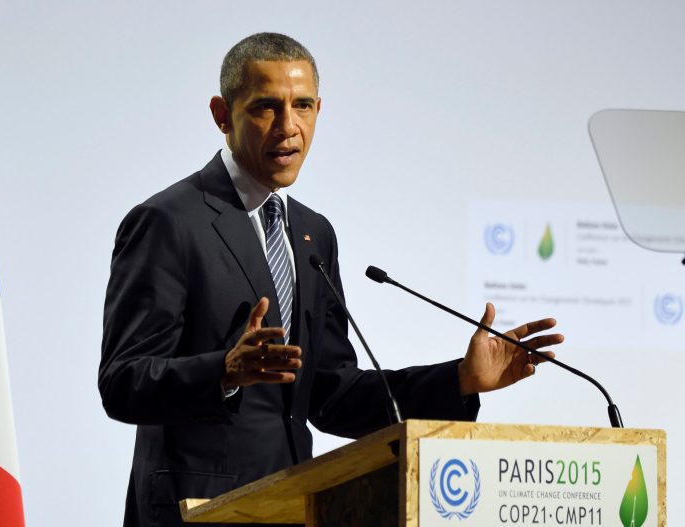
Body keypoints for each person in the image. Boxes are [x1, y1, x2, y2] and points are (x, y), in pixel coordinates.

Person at [99, 32, 563, 527]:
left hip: (296, 507)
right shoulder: (168, 222)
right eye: (265, 107)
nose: (288, 127)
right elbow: (122, 382)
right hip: (194, 511)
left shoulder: (312, 233)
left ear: (318, 110)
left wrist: (460, 380)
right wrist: (224, 372)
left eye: (302, 105)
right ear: (222, 114)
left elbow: (330, 394)